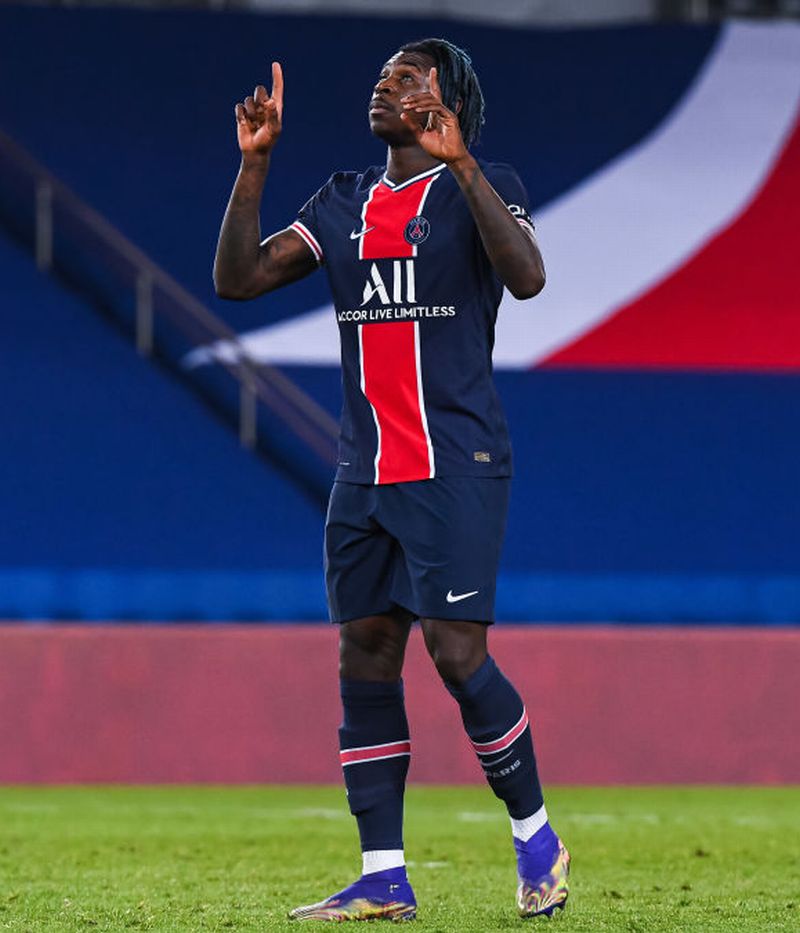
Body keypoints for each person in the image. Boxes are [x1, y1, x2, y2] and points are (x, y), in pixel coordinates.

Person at [214, 38, 569, 922]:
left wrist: (466, 163)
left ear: (447, 105)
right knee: (365, 651)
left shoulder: (486, 185)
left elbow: (528, 278)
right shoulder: (342, 200)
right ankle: (383, 875)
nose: (385, 85)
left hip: (455, 462)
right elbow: (239, 279)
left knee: (456, 654)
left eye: (408, 78)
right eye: (383, 76)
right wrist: (255, 166)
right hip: (364, 471)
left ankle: (537, 838)